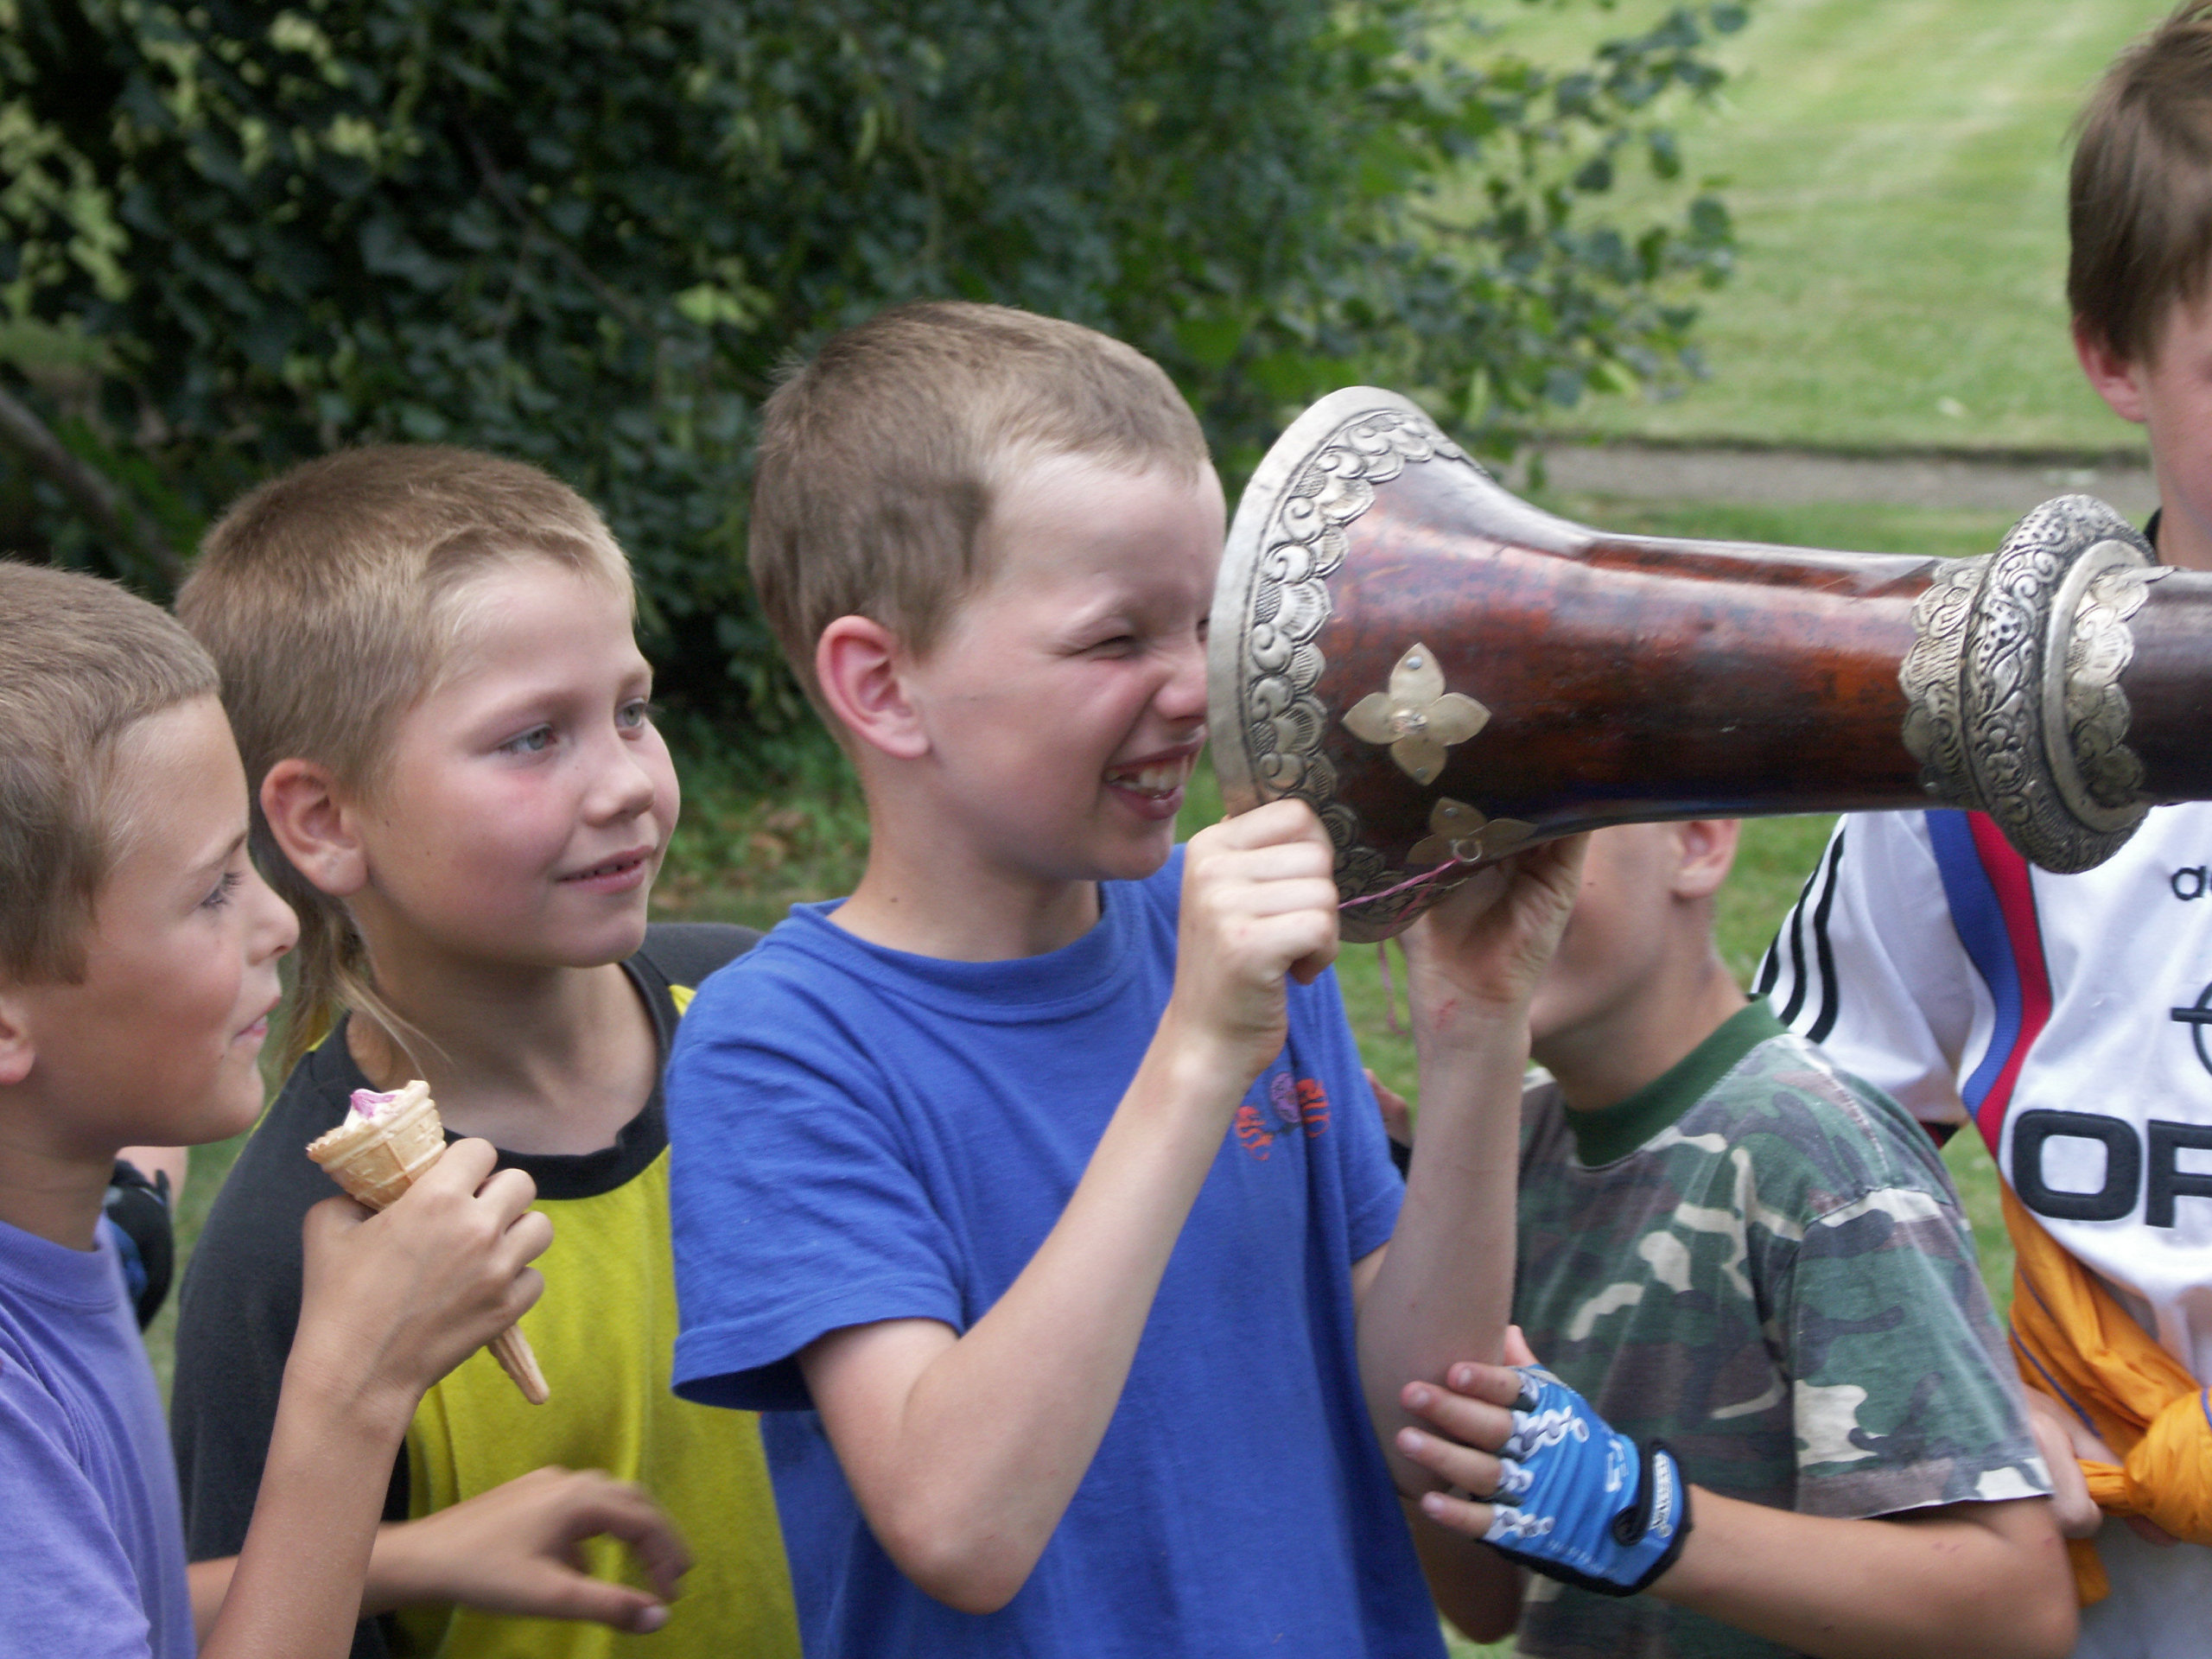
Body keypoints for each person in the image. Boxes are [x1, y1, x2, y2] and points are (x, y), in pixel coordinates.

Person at [659, 300, 1600, 1656]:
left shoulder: (1220, 935)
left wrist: (1476, 1030)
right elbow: (961, 1527)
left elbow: (1426, 1421)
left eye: (1206, 624)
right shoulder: (784, 1045)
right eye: (1116, 641)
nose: (1197, 690)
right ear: (882, 685)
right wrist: (1198, 1056)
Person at [168, 447, 800, 1659]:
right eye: (533, 738)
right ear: (325, 820)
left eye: (631, 711)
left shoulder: (763, 1017)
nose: (625, 783)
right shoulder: (297, 1253)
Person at [1758, 9, 2212, 1654]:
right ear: (2113, 354)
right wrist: (1940, 1383)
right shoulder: (1996, 753)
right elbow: (1791, 1160)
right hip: (2124, 1570)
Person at [0, 562, 550, 1658]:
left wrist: (415, 1556)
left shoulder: (77, 1237)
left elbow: (115, 1610)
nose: (282, 924)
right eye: (212, 891)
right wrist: (352, 1392)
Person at [1384, 820, 2075, 1658]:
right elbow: (1485, 1599)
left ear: (1698, 842)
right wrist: (1387, 1240)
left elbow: (2013, 1608)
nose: (1482, 895)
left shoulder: (1813, 1154)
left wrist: (1634, 1515)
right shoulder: (1514, 1141)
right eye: (1445, 853)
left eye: (1541, 845)